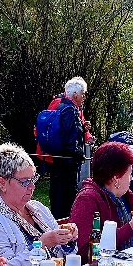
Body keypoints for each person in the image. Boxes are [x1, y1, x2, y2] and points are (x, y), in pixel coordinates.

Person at [0, 144, 77, 266]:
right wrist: (40, 246)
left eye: (33, 179)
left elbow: (63, 257)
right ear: (2, 183)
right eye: (25, 181)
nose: (32, 186)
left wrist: (67, 240)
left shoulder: (38, 209)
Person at [71, 142, 133, 263]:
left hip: (132, 264)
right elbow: (83, 250)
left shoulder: (125, 195)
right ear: (115, 178)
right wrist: (130, 228)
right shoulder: (87, 199)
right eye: (129, 174)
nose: (132, 178)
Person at [43, 77, 91, 220]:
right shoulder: (70, 110)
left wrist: (82, 129)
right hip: (67, 164)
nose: (84, 97)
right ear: (75, 94)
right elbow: (70, 140)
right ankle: (63, 228)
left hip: (57, 160)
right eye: (83, 93)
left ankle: (56, 223)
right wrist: (79, 155)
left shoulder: (60, 106)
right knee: (65, 200)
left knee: (57, 195)